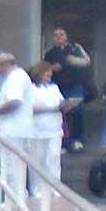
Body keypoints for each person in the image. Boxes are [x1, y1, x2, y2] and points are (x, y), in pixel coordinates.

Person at [0, 51, 34, 199]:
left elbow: (15, 102)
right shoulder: (19, 77)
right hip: (15, 130)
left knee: (11, 168)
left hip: (11, 131)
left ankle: (14, 200)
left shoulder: (16, 78)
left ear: (4, 65)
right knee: (15, 168)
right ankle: (18, 198)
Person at [43, 27, 92, 152]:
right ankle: (64, 141)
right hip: (59, 86)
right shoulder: (50, 53)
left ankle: (77, 139)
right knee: (62, 113)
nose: (58, 37)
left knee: (76, 110)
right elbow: (46, 68)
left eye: (61, 34)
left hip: (76, 84)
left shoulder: (75, 49)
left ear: (66, 36)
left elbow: (85, 63)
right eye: (56, 35)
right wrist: (54, 68)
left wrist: (68, 62)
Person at [28, 61, 68, 195]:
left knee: (54, 157)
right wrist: (51, 109)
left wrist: (68, 105)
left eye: (50, 72)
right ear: (39, 73)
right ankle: (37, 189)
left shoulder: (54, 88)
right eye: (46, 72)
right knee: (37, 159)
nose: (49, 74)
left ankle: (55, 189)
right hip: (37, 129)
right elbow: (30, 108)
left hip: (55, 128)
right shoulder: (31, 89)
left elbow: (61, 104)